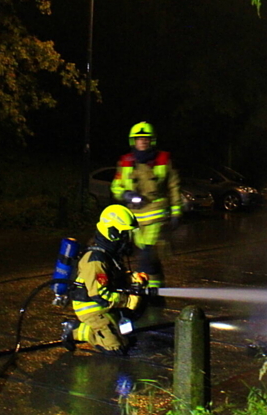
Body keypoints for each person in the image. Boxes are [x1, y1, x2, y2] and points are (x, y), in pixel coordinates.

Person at [60, 205, 146, 355]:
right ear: (113, 233)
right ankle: (76, 330)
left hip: (106, 305)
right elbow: (100, 295)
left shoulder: (109, 253)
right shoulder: (96, 260)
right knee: (116, 348)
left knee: (127, 338)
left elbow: (114, 276)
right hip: (92, 308)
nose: (127, 238)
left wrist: (134, 279)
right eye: (125, 233)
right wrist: (128, 301)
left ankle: (114, 328)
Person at [110, 121, 182, 295]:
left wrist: (176, 212)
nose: (143, 141)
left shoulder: (163, 160)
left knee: (146, 257)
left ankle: (145, 293)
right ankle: (157, 291)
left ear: (152, 141)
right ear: (133, 141)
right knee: (149, 259)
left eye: (146, 138)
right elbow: (116, 186)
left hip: (156, 218)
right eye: (139, 138)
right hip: (134, 220)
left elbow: (173, 186)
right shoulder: (126, 161)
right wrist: (126, 194)